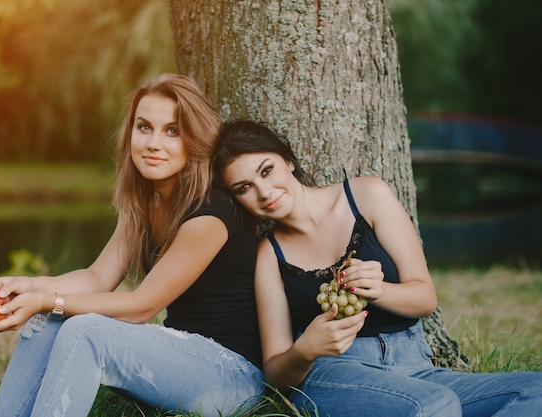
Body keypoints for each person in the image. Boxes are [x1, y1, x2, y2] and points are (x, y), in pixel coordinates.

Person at [0, 75, 264, 417]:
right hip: (179, 354)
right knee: (50, 319)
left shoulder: (210, 213)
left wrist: (49, 299)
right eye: (144, 127)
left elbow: (142, 306)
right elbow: (97, 277)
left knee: (85, 330)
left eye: (172, 130)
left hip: (231, 375)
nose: (154, 143)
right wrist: (28, 287)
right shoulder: (145, 201)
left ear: (195, 139)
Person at [212, 119, 542, 417]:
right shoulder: (269, 255)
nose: (264, 192)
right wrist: (305, 349)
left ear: (288, 161)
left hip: (415, 365)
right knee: (435, 406)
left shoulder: (367, 196)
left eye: (266, 170)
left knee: (534, 391)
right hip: (332, 372)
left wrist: (379, 290)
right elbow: (276, 373)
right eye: (244, 187)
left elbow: (425, 298)